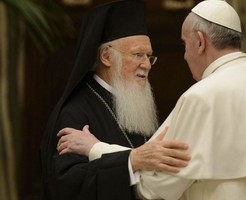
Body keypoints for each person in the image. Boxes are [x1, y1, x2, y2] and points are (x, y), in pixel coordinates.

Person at [57, 0, 246, 199]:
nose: (184, 55)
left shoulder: (203, 96)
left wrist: (96, 148)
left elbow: (155, 186)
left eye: (185, 44)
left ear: (200, 42)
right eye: (137, 54)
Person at [40, 0, 191, 200]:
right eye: (138, 55)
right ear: (106, 56)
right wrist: (130, 162)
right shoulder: (75, 113)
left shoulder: (136, 107)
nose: (147, 64)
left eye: (149, 56)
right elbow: (69, 184)